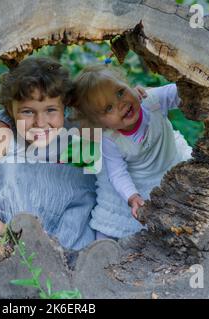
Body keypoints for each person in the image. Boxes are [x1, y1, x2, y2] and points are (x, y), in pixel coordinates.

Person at [0, 57, 97, 250]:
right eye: (28, 112)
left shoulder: (78, 130)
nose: (40, 122)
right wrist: (3, 233)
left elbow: (84, 192)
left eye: (50, 110)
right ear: (10, 109)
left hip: (69, 248)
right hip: (8, 241)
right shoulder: (1, 134)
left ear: (65, 106)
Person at [72, 64, 192, 240]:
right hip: (139, 179)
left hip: (169, 165)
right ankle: (101, 255)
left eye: (120, 92)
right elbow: (117, 173)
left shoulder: (152, 101)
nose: (121, 104)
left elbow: (183, 93)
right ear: (100, 123)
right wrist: (132, 196)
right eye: (108, 108)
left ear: (128, 84)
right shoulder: (110, 139)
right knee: (112, 223)